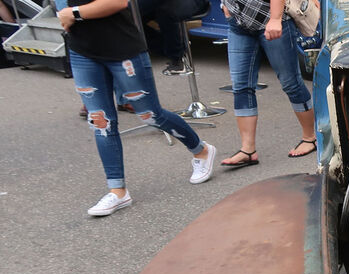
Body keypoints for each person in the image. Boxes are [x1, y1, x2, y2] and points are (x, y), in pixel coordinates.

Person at [57, 0, 217, 217]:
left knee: (151, 115)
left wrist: (73, 13)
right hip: (81, 49)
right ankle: (118, 191)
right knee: (100, 121)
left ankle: (202, 151)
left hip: (122, 49)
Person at [219, 0, 315, 167]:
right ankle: (248, 149)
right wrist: (225, 6)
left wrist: (276, 18)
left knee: (290, 82)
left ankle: (310, 137)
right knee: (241, 85)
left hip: (270, 19)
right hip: (239, 22)